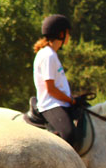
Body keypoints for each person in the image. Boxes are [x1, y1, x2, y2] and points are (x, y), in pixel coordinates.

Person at [33, 14, 78, 142]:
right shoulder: (48, 56)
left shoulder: (52, 54)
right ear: (61, 34)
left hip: (59, 103)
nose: (69, 36)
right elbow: (51, 89)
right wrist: (71, 101)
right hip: (51, 105)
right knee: (69, 134)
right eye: (67, 33)